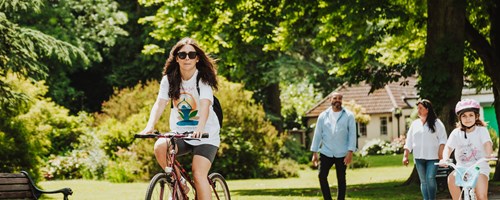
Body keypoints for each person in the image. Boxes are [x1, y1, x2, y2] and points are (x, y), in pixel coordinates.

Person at [139, 37, 220, 200]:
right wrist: (149, 126)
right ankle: (180, 183)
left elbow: (204, 105)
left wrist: (199, 129)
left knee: (198, 174)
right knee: (160, 145)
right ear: (176, 58)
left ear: (197, 58)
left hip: (206, 135)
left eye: (191, 54)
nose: (187, 58)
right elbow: (160, 104)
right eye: (182, 55)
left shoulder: (202, 79)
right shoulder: (169, 79)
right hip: (180, 133)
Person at [440, 99, 493, 200]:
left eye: (470, 115)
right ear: (459, 118)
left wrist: (488, 155)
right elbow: (448, 147)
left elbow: (487, 143)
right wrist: (445, 158)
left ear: (476, 116)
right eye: (464, 116)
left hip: (479, 168)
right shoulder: (456, 133)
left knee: (481, 196)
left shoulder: (481, 130)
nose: (467, 118)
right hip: (461, 169)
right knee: (451, 178)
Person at [310, 92, 356, 200]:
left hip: (342, 153)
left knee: (341, 179)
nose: (338, 100)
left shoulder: (349, 115)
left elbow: (352, 135)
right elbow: (317, 134)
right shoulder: (322, 116)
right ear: (330, 100)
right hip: (326, 152)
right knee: (321, 176)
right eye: (335, 98)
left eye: (340, 98)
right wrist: (314, 152)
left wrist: (350, 152)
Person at [402, 99, 447, 200]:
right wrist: (405, 156)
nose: (418, 110)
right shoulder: (415, 124)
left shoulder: (437, 123)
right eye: (418, 108)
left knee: (430, 178)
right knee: (423, 181)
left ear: (427, 109)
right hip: (418, 157)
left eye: (420, 108)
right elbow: (409, 141)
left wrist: (441, 153)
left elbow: (443, 139)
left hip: (433, 157)